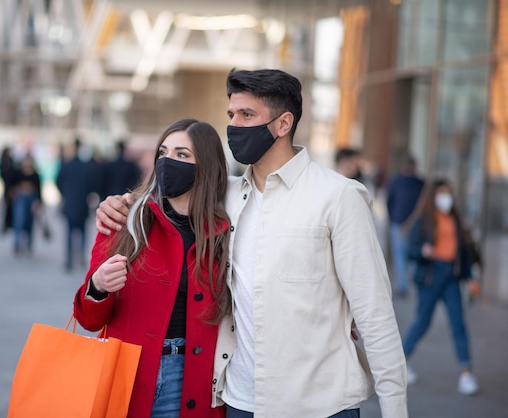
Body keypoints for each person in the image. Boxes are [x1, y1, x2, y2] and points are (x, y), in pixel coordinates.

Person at [95, 69, 408, 417]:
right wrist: (116, 205)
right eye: (231, 115)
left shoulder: (338, 197)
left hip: (320, 405)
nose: (234, 126)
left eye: (247, 115)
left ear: (283, 124)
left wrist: (395, 410)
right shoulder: (221, 196)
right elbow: (160, 198)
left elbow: (375, 315)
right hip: (239, 402)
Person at [73, 118, 230, 418]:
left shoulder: (223, 233)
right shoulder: (125, 220)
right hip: (126, 377)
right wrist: (98, 286)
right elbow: (88, 320)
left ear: (207, 166)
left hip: (190, 380)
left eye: (183, 155)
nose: (169, 162)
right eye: (163, 152)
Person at [402, 178, 480, 395]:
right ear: (433, 196)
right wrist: (423, 251)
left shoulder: (454, 218)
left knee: (458, 324)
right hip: (431, 275)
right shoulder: (424, 220)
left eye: (448, 193)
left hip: (451, 277)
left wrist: (469, 277)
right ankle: (400, 363)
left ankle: (466, 373)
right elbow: (411, 250)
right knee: (422, 322)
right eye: (441, 193)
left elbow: (462, 252)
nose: (446, 198)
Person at [56, 138, 102, 272]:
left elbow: (58, 181)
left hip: (70, 203)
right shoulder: (87, 167)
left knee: (69, 232)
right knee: (82, 231)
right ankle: (81, 256)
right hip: (82, 203)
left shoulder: (66, 165)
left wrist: (65, 194)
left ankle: (69, 259)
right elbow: (94, 185)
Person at [386, 154, 425, 297]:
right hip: (414, 225)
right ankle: (408, 283)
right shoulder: (420, 183)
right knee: (410, 255)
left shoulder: (396, 182)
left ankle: (403, 285)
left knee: (400, 255)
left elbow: (389, 201)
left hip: (401, 224)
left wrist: (394, 220)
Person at [10, 152, 42, 255]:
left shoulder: (35, 173)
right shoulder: (18, 172)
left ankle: (29, 243)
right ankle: (17, 242)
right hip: (21, 197)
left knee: (30, 221)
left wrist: (38, 201)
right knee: (19, 219)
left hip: (31, 198)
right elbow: (12, 185)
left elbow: (39, 188)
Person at [0, 146, 16, 234]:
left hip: (10, 186)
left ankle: (8, 224)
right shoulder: (4, 162)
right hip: (7, 186)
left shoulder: (10, 161)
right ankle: (6, 224)